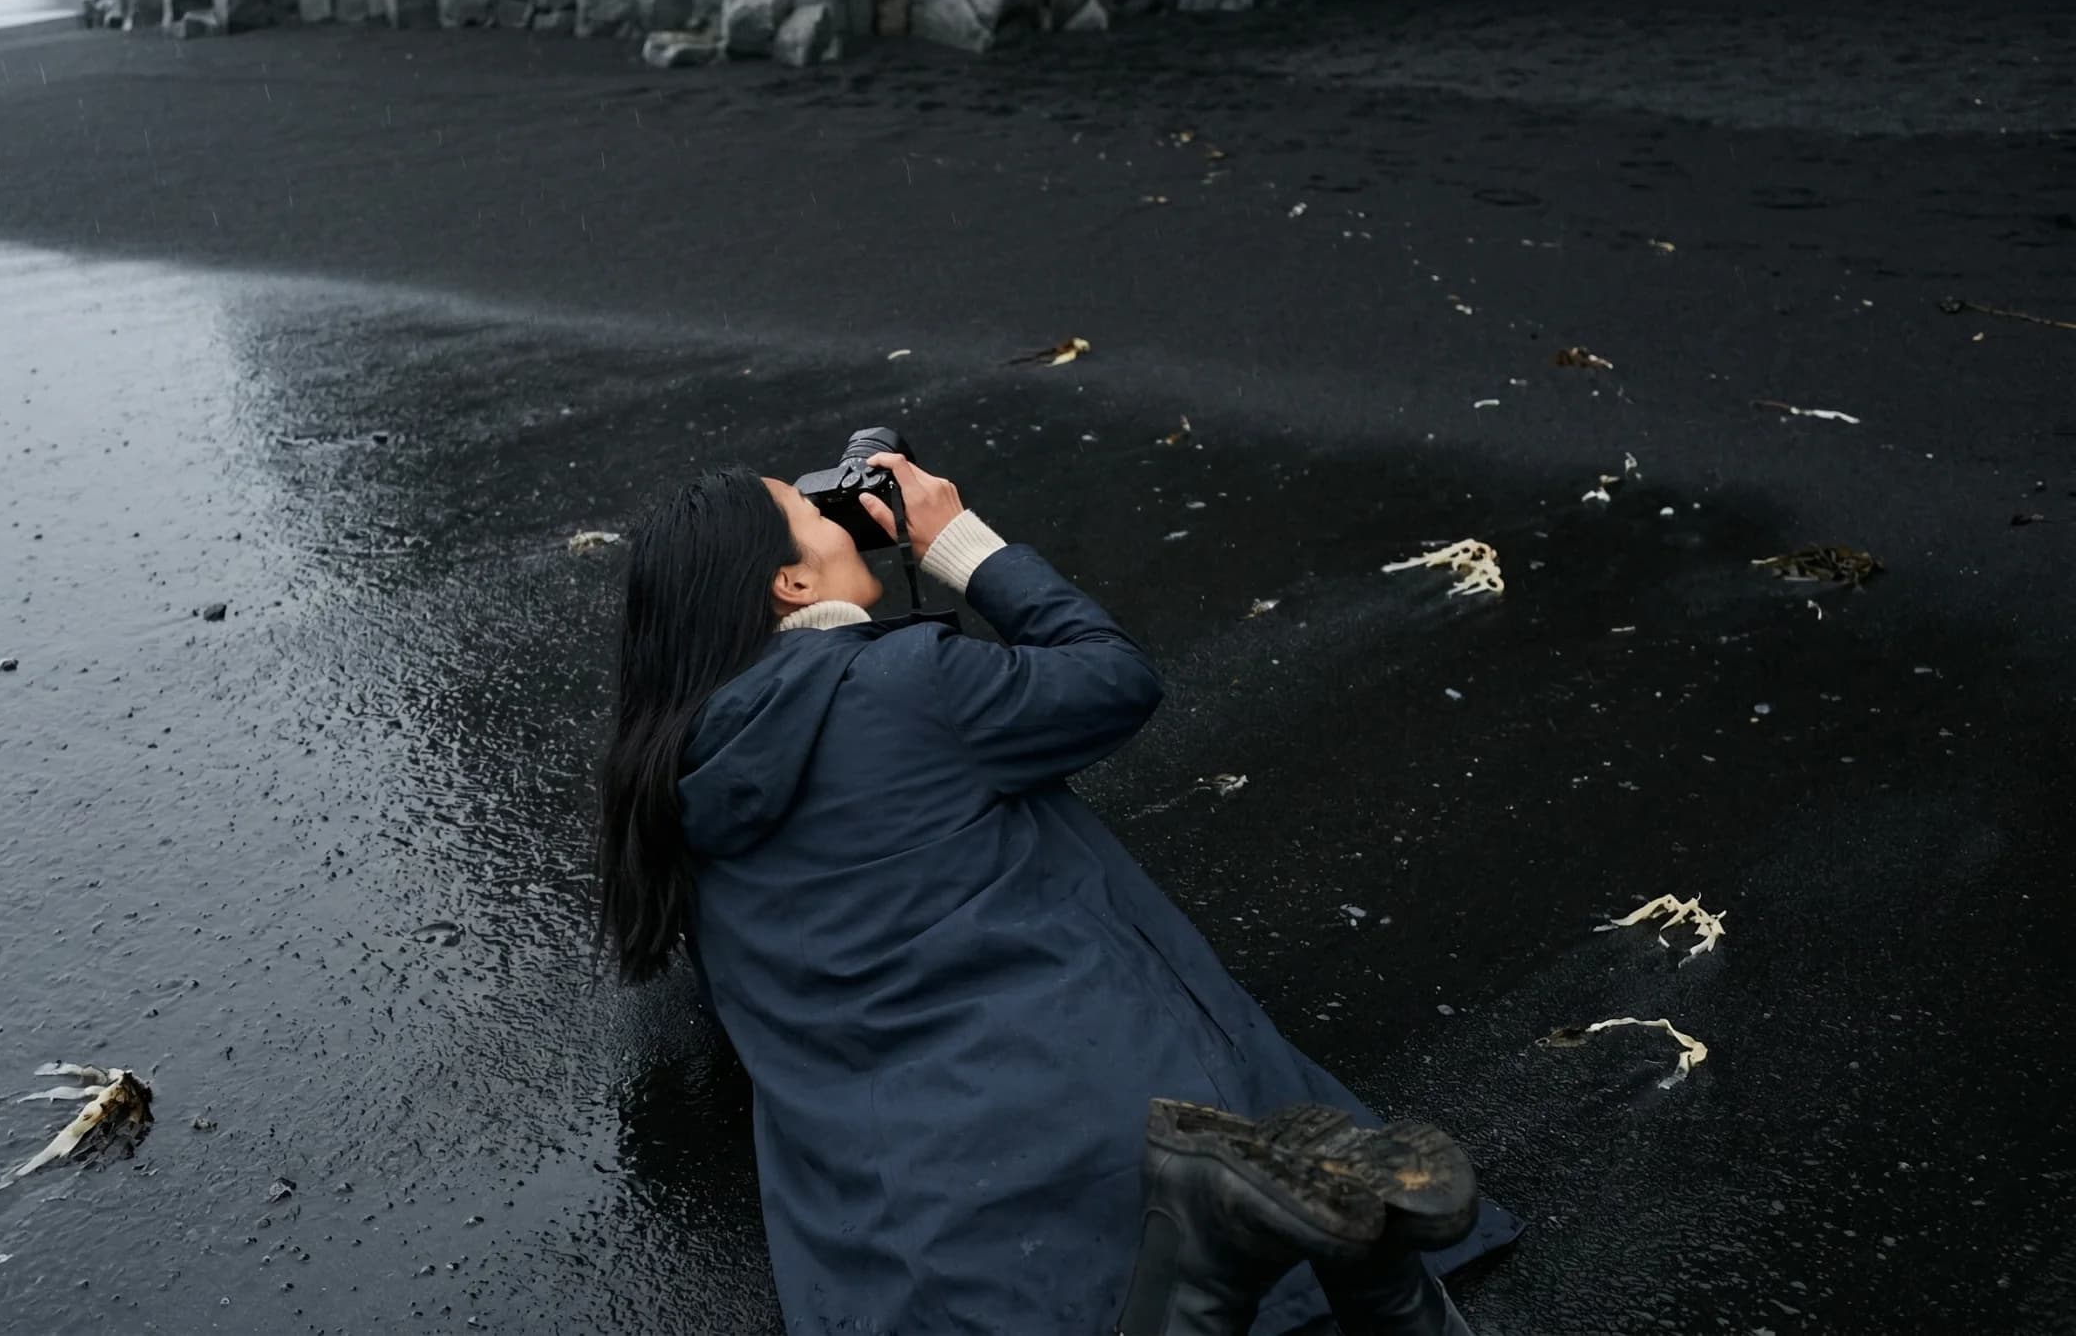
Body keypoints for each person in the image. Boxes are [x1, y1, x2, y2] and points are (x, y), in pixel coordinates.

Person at [595, 456, 1521, 1335]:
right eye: (809, 515)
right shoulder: (905, 685)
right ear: (790, 585)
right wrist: (962, 545)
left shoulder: (669, 781)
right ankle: (1231, 1246)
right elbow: (1113, 677)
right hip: (1100, 1125)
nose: (831, 519)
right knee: (1296, 1246)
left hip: (911, 1231)